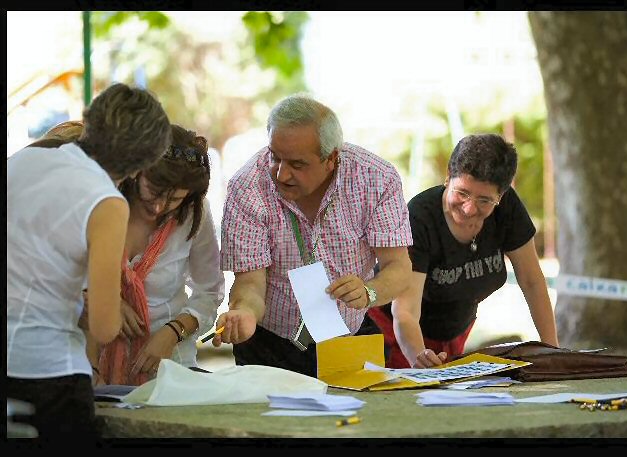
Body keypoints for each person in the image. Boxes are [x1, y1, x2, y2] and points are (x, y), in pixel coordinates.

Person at [7, 83, 171, 439]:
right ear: (143, 163)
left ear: (90, 120)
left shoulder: (21, 161)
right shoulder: (106, 202)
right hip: (49, 374)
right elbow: (104, 326)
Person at [212, 93, 413, 377]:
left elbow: (399, 268)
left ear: (331, 159)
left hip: (348, 338)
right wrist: (244, 313)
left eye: (297, 164)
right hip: (269, 345)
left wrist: (369, 292)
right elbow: (250, 282)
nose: (281, 174)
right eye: (274, 157)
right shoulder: (247, 188)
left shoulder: (376, 179)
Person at [368, 133, 559, 368]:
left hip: (453, 333)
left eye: (484, 200)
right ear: (448, 177)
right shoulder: (419, 218)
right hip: (394, 332)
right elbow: (405, 312)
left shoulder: (507, 209)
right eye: (462, 193)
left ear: (501, 195)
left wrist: (553, 352)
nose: (469, 209)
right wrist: (420, 361)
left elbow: (532, 282)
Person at [86, 125, 224, 386]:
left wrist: (173, 332)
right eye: (154, 192)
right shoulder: (100, 204)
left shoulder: (194, 214)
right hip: (89, 361)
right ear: (136, 174)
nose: (161, 206)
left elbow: (209, 292)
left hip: (169, 364)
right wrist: (102, 299)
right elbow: (62, 276)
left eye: (175, 199)